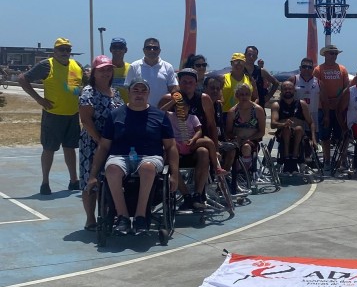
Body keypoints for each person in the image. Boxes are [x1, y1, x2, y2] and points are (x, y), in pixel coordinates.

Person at [86, 79, 179, 235]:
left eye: (143, 91)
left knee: (147, 168)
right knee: (112, 169)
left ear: (148, 94)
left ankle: (140, 216)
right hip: (120, 155)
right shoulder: (115, 115)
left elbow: (171, 146)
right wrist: (93, 175)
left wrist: (175, 175)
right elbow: (104, 146)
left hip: (150, 156)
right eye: (136, 90)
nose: (139, 94)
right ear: (128, 93)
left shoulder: (160, 116)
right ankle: (122, 217)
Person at [18, 37, 83, 195]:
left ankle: (74, 180)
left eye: (68, 49)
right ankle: (45, 182)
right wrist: (39, 99)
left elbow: (84, 85)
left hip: (73, 114)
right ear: (54, 51)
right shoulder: (47, 65)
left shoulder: (77, 66)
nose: (65, 52)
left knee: (70, 148)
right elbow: (22, 79)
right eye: (62, 49)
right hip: (53, 115)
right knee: (49, 149)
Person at [160, 68, 225, 210]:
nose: (187, 84)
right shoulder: (168, 98)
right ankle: (186, 195)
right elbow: (156, 118)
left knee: (204, 151)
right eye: (184, 82)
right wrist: (173, 100)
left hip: (195, 144)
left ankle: (198, 193)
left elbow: (211, 125)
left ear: (196, 83)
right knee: (170, 154)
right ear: (179, 83)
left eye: (191, 82)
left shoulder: (204, 99)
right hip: (175, 145)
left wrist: (216, 148)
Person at [78, 56, 124, 230]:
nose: (106, 72)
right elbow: (86, 120)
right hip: (92, 142)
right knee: (91, 180)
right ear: (94, 72)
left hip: (111, 143)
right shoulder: (89, 92)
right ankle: (91, 219)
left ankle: (107, 215)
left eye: (108, 69)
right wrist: (99, 141)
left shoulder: (115, 92)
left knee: (108, 180)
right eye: (102, 69)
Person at [313, 45, 350, 168]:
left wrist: (338, 100)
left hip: (339, 108)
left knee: (341, 135)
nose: (333, 56)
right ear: (325, 55)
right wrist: (327, 102)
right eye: (331, 53)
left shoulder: (342, 69)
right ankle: (327, 160)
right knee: (325, 135)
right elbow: (317, 88)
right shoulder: (318, 70)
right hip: (323, 107)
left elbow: (346, 87)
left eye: (335, 54)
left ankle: (342, 159)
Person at [271, 81, 316, 174]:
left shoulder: (302, 104)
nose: (288, 90)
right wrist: (283, 124)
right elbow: (273, 124)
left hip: (299, 134)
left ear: (294, 90)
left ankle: (296, 158)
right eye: (285, 89)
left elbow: (311, 122)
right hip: (283, 133)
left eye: (290, 88)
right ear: (281, 91)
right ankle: (286, 159)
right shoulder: (277, 105)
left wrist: (313, 139)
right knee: (287, 129)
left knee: (299, 128)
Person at [224, 83, 267, 175]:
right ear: (237, 96)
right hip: (237, 140)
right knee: (229, 149)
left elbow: (262, 131)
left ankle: (245, 171)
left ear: (250, 95)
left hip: (252, 140)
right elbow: (228, 132)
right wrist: (236, 138)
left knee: (246, 147)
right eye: (241, 94)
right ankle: (225, 174)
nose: (244, 97)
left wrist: (248, 139)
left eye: (247, 94)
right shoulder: (233, 111)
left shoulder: (258, 110)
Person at [124, 38, 178, 107]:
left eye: (155, 48)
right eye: (148, 48)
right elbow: (128, 89)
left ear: (159, 51)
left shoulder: (168, 67)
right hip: (139, 110)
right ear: (144, 50)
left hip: (161, 112)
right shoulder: (134, 66)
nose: (152, 50)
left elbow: (173, 89)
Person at [289, 57, 321, 137]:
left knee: (312, 138)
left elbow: (325, 100)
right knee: (296, 137)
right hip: (297, 114)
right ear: (300, 68)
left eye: (309, 67)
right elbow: (284, 97)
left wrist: (326, 116)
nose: (307, 69)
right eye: (304, 66)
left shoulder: (318, 82)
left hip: (313, 114)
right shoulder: (294, 79)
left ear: (313, 69)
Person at [108, 37, 130, 103]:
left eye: (121, 47)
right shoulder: (105, 68)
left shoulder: (131, 68)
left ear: (125, 50)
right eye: (114, 47)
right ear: (110, 49)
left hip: (127, 108)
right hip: (109, 106)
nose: (117, 50)